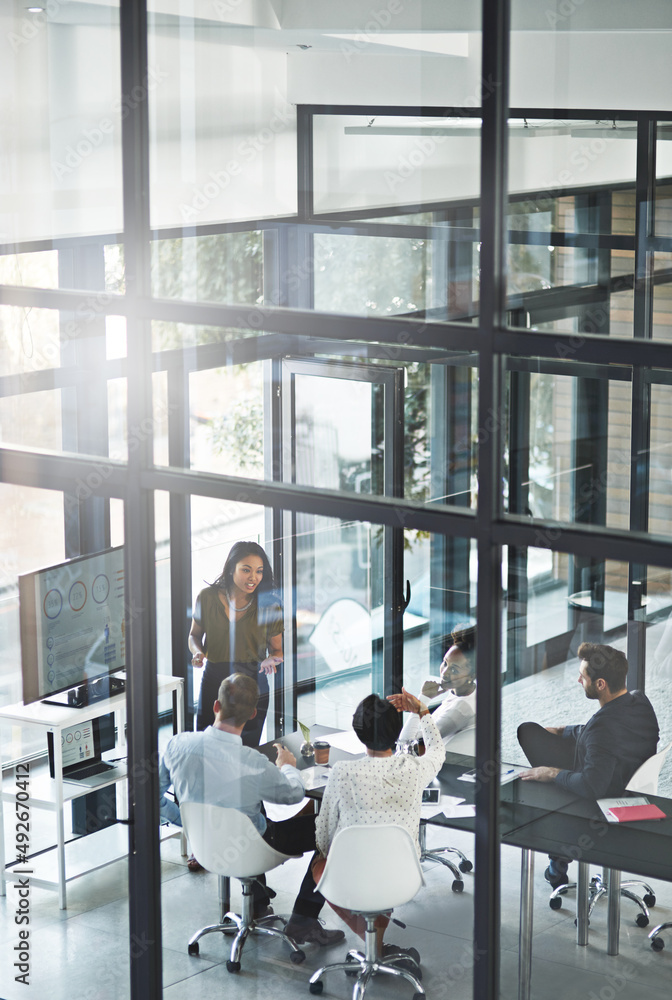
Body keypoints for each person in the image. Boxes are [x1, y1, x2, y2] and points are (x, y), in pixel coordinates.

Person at [159, 673, 345, 946]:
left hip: (205, 846)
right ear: (254, 714)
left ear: (215, 706)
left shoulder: (177, 745)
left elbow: (151, 798)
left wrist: (186, 822)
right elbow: (293, 794)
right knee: (332, 826)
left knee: (249, 810)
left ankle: (258, 905)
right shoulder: (252, 762)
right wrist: (287, 765)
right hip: (252, 847)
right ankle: (303, 922)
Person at [312, 689, 444, 965]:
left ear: (358, 732)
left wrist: (329, 849)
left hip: (352, 875)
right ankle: (377, 944)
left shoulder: (343, 773)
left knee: (320, 866)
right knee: (382, 867)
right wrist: (422, 712)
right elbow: (437, 751)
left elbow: (323, 833)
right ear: (396, 733)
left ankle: (370, 939)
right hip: (402, 877)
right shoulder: (414, 769)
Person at [517, 641, 659, 889]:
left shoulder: (601, 728)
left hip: (603, 798)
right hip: (629, 779)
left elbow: (592, 785)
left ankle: (558, 853)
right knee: (537, 733)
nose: (578, 681)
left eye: (582, 676)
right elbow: (605, 734)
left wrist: (552, 772)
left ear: (600, 684)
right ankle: (558, 857)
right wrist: (565, 730)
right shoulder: (639, 700)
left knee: (529, 736)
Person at [189, 541, 283, 745]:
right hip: (214, 679)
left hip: (252, 683)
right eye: (246, 570)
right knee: (204, 744)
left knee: (246, 750)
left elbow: (278, 651)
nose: (254, 578)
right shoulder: (207, 598)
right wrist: (198, 652)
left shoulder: (270, 605)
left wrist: (270, 660)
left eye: (259, 571)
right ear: (232, 568)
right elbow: (194, 636)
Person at [398, 625, 476, 746]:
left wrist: (422, 700)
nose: (444, 673)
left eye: (454, 670)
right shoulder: (464, 692)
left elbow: (405, 744)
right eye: (445, 663)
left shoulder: (460, 710)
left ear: (472, 676)